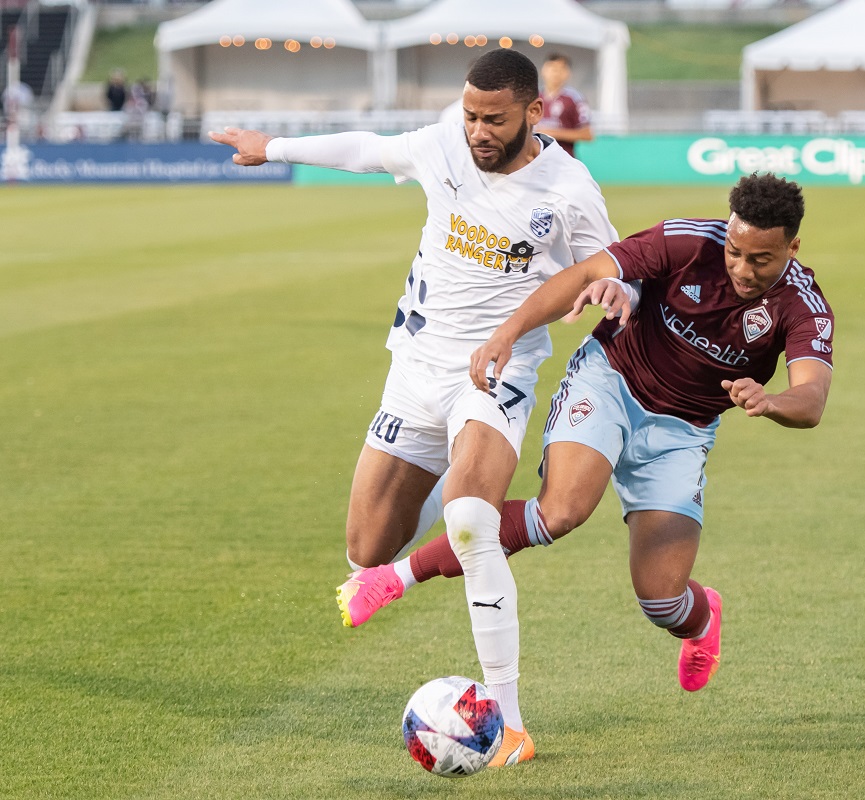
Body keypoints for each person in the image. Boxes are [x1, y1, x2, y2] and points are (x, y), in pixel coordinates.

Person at [209, 49, 619, 767]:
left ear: (532, 112)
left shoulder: (570, 190)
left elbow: (610, 267)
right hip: (415, 372)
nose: (477, 130)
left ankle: (512, 725)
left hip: (497, 377)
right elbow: (369, 149)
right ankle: (427, 525)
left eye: (493, 119)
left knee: (469, 520)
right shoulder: (442, 145)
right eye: (469, 114)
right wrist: (271, 146)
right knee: (366, 549)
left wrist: (616, 297)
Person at [344, 174, 834, 711]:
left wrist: (771, 401)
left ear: (792, 247)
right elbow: (586, 271)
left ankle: (703, 619)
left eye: (760, 260)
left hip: (683, 432)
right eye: (735, 251)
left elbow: (810, 398)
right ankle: (395, 578)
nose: (741, 268)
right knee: (560, 511)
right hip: (609, 381)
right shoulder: (689, 241)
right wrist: (506, 333)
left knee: (662, 598)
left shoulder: (803, 305)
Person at [536, 53, 593, 158]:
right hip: (536, 160)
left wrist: (551, 133)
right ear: (543, 70)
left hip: (563, 159)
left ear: (568, 73)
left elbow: (587, 134)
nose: (555, 73)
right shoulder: (533, 97)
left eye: (560, 69)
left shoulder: (575, 98)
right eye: (552, 68)